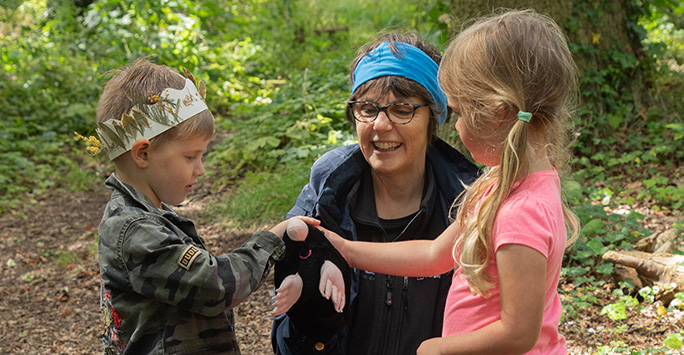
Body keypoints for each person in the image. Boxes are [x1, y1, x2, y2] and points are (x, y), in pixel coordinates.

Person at [322, 9, 581, 355]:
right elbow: (434, 254)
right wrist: (347, 250)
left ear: (498, 112)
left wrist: (440, 349)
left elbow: (519, 333)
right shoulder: (499, 185)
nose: (455, 127)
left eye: (458, 112)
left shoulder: (523, 211)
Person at [271, 32, 480, 354]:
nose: (380, 125)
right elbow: (287, 331)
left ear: (433, 117)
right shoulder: (330, 189)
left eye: (401, 109)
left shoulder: (467, 201)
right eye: (367, 109)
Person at [92, 58, 315, 354]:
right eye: (190, 157)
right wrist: (272, 239)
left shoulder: (150, 216)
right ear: (142, 153)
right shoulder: (134, 230)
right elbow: (215, 285)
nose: (201, 170)